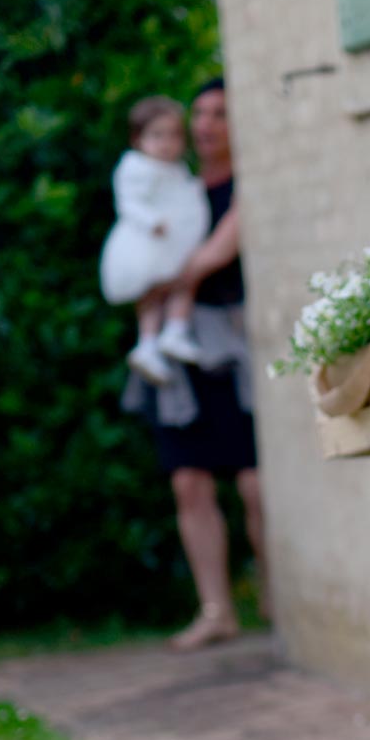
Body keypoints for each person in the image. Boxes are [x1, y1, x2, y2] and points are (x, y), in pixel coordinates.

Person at [123, 78, 268, 650]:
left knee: (256, 484)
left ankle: (278, 600)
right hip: (176, 353)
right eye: (200, 114)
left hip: (228, 348)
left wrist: (146, 282)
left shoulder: (244, 186)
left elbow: (209, 257)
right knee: (188, 481)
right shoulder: (169, 184)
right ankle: (216, 612)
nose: (207, 125)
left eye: (221, 114)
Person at [99, 96, 208, 384]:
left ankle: (175, 330)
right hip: (151, 245)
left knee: (183, 285)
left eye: (174, 135)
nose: (167, 143)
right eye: (157, 135)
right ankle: (147, 343)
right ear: (138, 138)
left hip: (176, 244)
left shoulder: (179, 169)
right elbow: (129, 203)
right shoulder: (135, 167)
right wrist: (152, 222)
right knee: (150, 296)